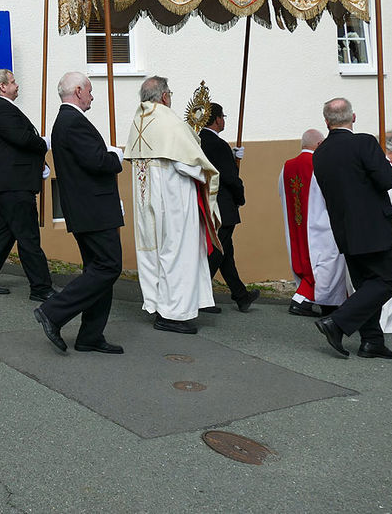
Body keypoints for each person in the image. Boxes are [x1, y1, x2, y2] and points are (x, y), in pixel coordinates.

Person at [33, 72, 124, 353]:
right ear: (78, 91)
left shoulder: (66, 121)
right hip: (94, 209)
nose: (92, 97)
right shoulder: (72, 122)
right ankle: (53, 311)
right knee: (108, 267)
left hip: (87, 208)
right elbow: (97, 162)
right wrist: (115, 156)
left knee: (98, 270)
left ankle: (90, 335)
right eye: (90, 91)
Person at [125, 76, 219, 334]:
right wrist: (206, 170)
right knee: (178, 254)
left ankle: (158, 305)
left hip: (146, 201)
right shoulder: (171, 121)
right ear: (165, 96)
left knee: (153, 253)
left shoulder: (137, 120)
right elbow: (187, 165)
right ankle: (173, 314)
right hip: (174, 202)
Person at [313, 98, 392, 359]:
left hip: (345, 229)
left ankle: (371, 341)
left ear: (326, 121)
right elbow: (389, 180)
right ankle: (337, 322)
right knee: (387, 280)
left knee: (366, 286)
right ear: (354, 117)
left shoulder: (321, 152)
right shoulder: (363, 142)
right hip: (373, 226)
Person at [0, 69, 55, 301]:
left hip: (11, 182)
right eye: (13, 82)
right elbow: (23, 139)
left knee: (6, 233)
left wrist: (39, 163)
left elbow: (17, 145)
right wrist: (44, 143)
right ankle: (41, 287)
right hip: (12, 184)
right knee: (28, 236)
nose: (17, 85)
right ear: (3, 87)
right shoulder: (1, 109)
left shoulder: (2, 109)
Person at [278, 129, 346, 317]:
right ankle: (304, 300)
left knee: (307, 262)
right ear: (319, 145)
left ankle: (329, 303)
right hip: (321, 226)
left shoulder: (287, 166)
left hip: (296, 226)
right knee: (328, 264)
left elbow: (282, 193)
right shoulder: (320, 164)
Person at [199, 103, 259, 313]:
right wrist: (240, 197)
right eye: (222, 116)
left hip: (206, 203)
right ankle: (199, 297)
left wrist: (233, 158)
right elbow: (230, 178)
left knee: (225, 253)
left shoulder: (197, 140)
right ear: (216, 119)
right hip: (223, 206)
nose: (224, 120)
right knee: (217, 251)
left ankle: (241, 295)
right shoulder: (218, 144)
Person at [375, 131, 392, 333]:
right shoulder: (390, 171)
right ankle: (383, 321)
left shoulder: (366, 166)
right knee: (391, 272)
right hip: (390, 225)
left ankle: (390, 318)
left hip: (368, 225)